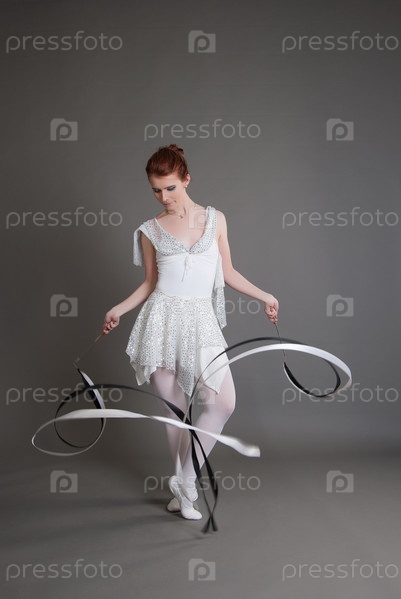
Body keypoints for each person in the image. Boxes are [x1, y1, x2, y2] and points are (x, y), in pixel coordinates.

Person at [102, 144, 279, 520]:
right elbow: (149, 284)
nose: (163, 197)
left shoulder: (216, 220)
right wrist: (118, 309)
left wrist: (265, 296)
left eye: (170, 188)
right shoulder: (150, 230)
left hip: (201, 321)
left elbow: (228, 272)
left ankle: (183, 480)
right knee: (176, 414)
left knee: (223, 402)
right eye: (156, 190)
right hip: (161, 322)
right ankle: (184, 496)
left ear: (186, 179)